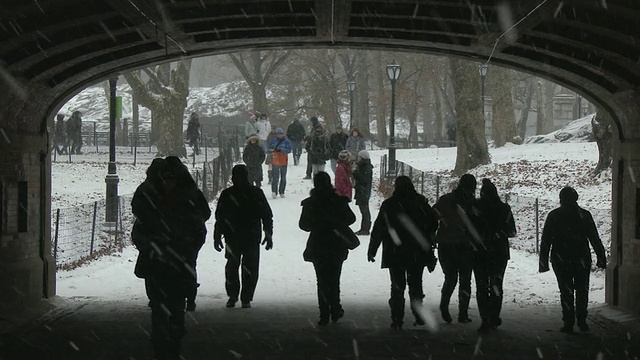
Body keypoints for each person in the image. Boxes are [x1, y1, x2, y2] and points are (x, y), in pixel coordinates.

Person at [131, 156, 210, 360]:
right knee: (161, 307)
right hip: (167, 261)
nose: (168, 184)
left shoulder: (152, 201)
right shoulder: (182, 201)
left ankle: (171, 342)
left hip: (170, 261)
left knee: (172, 306)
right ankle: (165, 343)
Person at [368, 176, 439, 329]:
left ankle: (397, 318)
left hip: (395, 251)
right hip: (416, 250)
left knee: (397, 286)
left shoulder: (389, 205)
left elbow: (379, 227)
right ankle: (418, 312)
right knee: (415, 284)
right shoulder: (420, 203)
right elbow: (433, 223)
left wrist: (373, 248)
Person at [539, 186, 606, 334]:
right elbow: (594, 237)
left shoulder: (554, 215)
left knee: (566, 291)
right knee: (582, 290)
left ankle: (568, 322)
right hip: (581, 258)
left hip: (561, 259)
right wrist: (600, 256)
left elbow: (546, 239)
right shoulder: (584, 215)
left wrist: (543, 261)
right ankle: (582, 320)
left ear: (561, 199)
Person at [299, 171, 356, 326]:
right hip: (336, 244)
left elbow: (304, 225)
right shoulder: (338, 201)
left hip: (318, 245)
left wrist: (318, 223)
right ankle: (335, 308)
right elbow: (351, 218)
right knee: (334, 278)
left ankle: (324, 312)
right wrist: (335, 223)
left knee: (322, 280)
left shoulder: (310, 203)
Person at [213, 164, 274, 309]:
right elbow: (266, 215)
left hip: (233, 235)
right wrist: (268, 233)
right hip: (251, 235)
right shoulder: (255, 193)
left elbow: (220, 217)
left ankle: (234, 295)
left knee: (232, 266)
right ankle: (245, 297)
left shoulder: (228, 194)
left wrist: (217, 235)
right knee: (250, 267)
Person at [467, 179, 516, 333]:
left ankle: (485, 318)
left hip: (479, 251)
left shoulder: (474, 207)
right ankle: (494, 316)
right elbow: (512, 231)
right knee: (496, 286)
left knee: (481, 286)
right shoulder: (504, 209)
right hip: (499, 252)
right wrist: (497, 234)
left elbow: (467, 229)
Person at [164, 156, 211, 311]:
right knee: (189, 264)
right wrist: (195, 222)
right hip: (192, 234)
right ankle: (190, 297)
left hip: (171, 234)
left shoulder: (164, 191)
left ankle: (173, 295)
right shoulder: (192, 191)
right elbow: (206, 212)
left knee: (171, 266)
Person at [433, 174, 477, 324]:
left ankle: (445, 305)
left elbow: (433, 217)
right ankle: (462, 313)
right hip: (465, 245)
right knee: (465, 280)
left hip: (447, 245)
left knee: (451, 278)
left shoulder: (446, 200)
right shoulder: (472, 204)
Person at [353, 150, 373, 235]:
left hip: (363, 191)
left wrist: (355, 173)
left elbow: (364, 180)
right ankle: (364, 228)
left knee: (364, 211)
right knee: (363, 210)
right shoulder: (363, 166)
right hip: (362, 191)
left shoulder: (366, 167)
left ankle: (365, 228)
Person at [268, 128, 292, 198]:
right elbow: (268, 149)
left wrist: (281, 150)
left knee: (283, 177)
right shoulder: (273, 141)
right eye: (278, 134)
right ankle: (274, 191)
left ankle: (282, 191)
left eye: (281, 134)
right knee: (275, 177)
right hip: (275, 160)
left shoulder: (287, 141)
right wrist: (272, 150)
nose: (279, 135)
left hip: (284, 161)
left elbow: (289, 150)